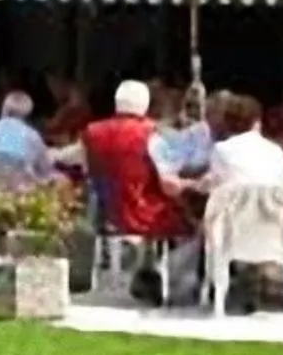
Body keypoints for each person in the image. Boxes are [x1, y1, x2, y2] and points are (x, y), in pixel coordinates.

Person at [83, 79, 199, 302]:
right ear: (145, 105)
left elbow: (89, 171)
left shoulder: (92, 131)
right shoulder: (153, 134)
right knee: (195, 229)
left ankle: (145, 271)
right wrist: (191, 184)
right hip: (143, 211)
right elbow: (168, 182)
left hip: (106, 212)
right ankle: (175, 285)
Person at [206, 91, 283, 190]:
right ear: (256, 122)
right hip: (273, 204)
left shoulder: (221, 149)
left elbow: (215, 188)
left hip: (234, 204)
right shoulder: (276, 151)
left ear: (227, 123)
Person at [0, 89, 53, 183]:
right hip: (19, 195)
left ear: (3, 109)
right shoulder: (32, 136)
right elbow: (46, 169)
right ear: (28, 115)